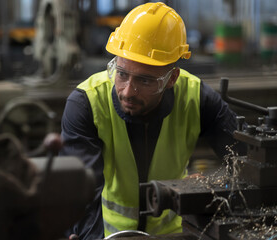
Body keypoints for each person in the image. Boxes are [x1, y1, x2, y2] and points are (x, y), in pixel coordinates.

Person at [60, 2, 246, 240]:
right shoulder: (87, 103)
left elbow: (245, 163)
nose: (128, 91)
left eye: (145, 81)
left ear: (172, 78)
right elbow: (81, 193)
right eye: (122, 73)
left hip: (174, 235)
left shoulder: (197, 100)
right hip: (109, 234)